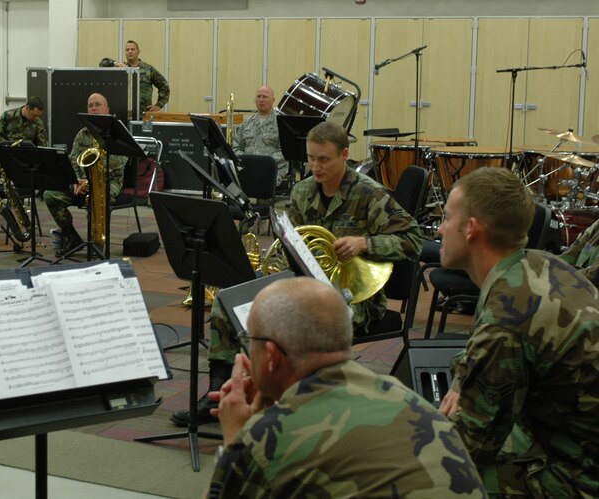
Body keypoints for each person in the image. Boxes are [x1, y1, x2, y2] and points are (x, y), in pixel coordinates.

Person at [172, 121, 422, 426]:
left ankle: (294, 406)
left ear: (345, 155)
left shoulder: (370, 194)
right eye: (311, 158)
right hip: (306, 285)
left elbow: (414, 241)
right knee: (227, 302)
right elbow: (292, 241)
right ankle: (219, 394)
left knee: (295, 327)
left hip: (355, 297)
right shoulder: (303, 191)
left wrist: (364, 242)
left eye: (324, 159)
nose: (315, 167)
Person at [207, 277, 486, 497]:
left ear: (271, 356)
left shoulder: (265, 439)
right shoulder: (402, 396)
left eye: (249, 338)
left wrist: (236, 438)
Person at [436, 167, 599, 496]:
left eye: (447, 217)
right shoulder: (538, 265)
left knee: (430, 478)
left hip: (578, 479)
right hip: (570, 441)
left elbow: (467, 448)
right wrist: (463, 381)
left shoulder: (507, 314)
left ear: (471, 228)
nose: (439, 229)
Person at [42, 93, 127, 257]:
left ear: (107, 109)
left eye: (97, 104)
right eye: (90, 105)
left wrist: (89, 181)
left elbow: (119, 162)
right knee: (51, 195)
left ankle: (97, 243)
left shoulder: (117, 132)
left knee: (99, 195)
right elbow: (73, 160)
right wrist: (75, 181)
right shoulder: (82, 134)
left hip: (109, 182)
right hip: (82, 182)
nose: (93, 108)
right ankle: (72, 237)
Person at [231, 86, 288, 187]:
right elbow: (236, 147)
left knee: (261, 186)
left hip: (272, 169)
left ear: (273, 100)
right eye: (258, 97)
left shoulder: (281, 123)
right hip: (247, 168)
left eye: (265, 97)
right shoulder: (247, 123)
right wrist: (247, 162)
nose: (261, 100)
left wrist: (263, 164)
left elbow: (285, 151)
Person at [115, 40, 169, 114]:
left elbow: (164, 86)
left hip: (143, 115)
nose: (129, 51)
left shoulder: (148, 69)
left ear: (138, 52)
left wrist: (159, 105)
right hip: (123, 113)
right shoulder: (121, 69)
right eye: (127, 50)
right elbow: (103, 63)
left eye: (132, 49)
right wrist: (115, 63)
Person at [558, 217, 599, 286]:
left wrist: (567, 275)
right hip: (576, 284)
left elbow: (595, 273)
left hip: (588, 289)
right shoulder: (595, 227)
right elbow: (570, 254)